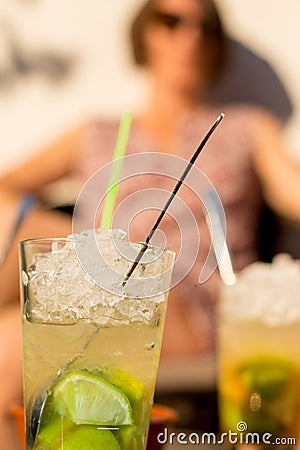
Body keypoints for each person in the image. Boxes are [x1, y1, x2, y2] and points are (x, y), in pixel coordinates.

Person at [1, 0, 300, 441]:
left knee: (12, 342)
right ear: (146, 33)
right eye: (171, 21)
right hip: (95, 297)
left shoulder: (245, 126)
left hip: (188, 305)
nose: (190, 38)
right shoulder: (97, 131)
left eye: (205, 28)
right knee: (10, 223)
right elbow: (8, 187)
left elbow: (292, 192)